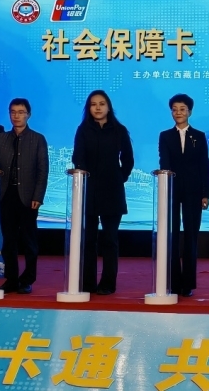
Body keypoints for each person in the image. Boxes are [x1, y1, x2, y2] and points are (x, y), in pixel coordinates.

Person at [72, 90, 134, 296]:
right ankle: (88, 283)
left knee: (110, 240)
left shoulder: (119, 130)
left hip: (112, 191)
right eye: (93, 104)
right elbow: (77, 158)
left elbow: (128, 160)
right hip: (88, 191)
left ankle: (108, 284)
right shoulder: (83, 130)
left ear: (108, 107)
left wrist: (119, 177)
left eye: (101, 104)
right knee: (88, 240)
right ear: (88, 108)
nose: (97, 108)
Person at [0, 98, 49, 295]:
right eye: (13, 112)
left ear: (28, 115)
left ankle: (27, 280)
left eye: (21, 112)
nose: (16, 116)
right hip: (6, 195)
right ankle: (11, 279)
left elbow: (42, 170)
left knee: (29, 241)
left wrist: (38, 196)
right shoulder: (1, 138)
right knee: (8, 241)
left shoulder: (38, 139)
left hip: (29, 197)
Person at [158, 94, 209, 297]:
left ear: (190, 111)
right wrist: (165, 188)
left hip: (194, 191)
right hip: (172, 190)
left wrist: (205, 194)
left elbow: (204, 166)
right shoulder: (165, 136)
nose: (178, 112)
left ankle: (187, 283)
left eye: (182, 109)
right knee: (171, 235)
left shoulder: (199, 136)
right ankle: (173, 282)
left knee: (191, 236)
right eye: (174, 109)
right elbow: (164, 162)